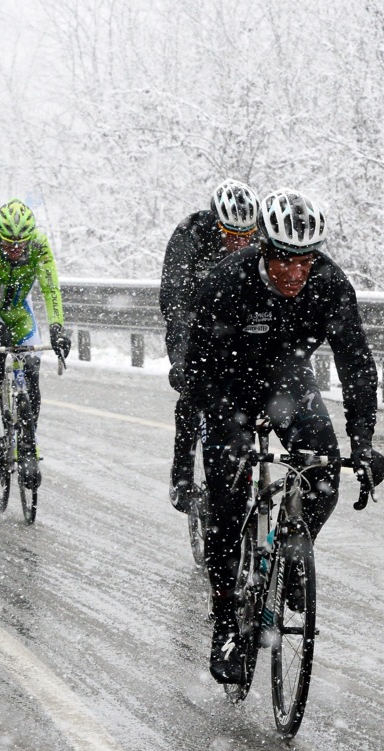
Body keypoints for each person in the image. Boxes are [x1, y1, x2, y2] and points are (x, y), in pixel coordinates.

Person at [184, 189, 384, 683]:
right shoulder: (226, 282)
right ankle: (227, 626)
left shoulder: (331, 284)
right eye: (284, 262)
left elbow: (357, 366)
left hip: (286, 382)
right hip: (225, 382)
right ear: (265, 250)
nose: (295, 273)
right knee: (227, 512)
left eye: (305, 261)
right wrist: (224, 423)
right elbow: (195, 369)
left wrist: (362, 444)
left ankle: (293, 554)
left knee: (323, 473)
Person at [160, 179, 261, 513]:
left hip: (241, 324)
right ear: (215, 222)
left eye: (246, 235)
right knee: (192, 394)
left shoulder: (262, 239)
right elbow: (174, 300)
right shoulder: (190, 233)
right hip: (195, 323)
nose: (239, 242)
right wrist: (180, 360)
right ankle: (183, 477)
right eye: (231, 234)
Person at [0, 199, 69, 483]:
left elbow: (51, 289)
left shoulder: (39, 246)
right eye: (8, 244)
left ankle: (28, 442)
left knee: (32, 370)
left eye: (20, 244)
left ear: (29, 238)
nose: (14, 250)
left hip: (20, 313)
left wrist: (58, 329)